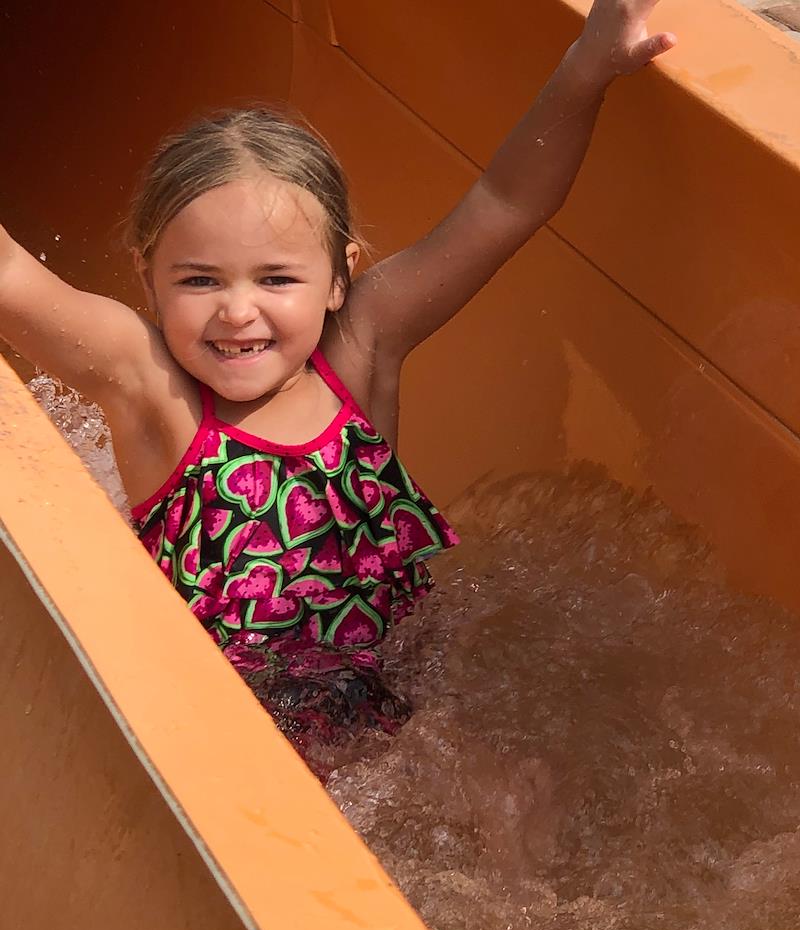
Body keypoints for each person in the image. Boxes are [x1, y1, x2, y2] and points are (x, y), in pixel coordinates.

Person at [0, 1, 675, 777]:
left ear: (338, 275)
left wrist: (588, 65)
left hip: (389, 705)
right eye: (198, 280)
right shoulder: (155, 391)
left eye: (276, 278)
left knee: (520, 785)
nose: (237, 309)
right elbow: (12, 274)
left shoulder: (361, 347)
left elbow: (505, 204)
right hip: (236, 738)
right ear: (146, 276)